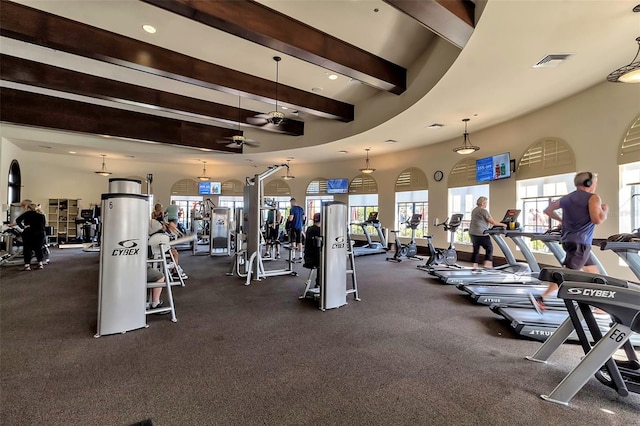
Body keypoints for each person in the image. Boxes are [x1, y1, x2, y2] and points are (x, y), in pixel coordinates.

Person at [530, 171, 609, 313]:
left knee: (593, 271)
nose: (596, 184)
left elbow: (548, 210)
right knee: (567, 274)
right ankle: (541, 297)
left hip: (568, 240)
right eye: (595, 182)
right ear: (589, 183)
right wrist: (604, 211)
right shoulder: (593, 198)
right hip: (581, 242)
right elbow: (597, 220)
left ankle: (600, 305)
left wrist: (562, 221)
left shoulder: (567, 198)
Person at [468, 196, 507, 269]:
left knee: (476, 249)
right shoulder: (484, 211)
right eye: (486, 203)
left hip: (473, 232)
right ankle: (488, 264)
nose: (486, 204)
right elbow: (493, 222)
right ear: (483, 203)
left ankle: (474, 266)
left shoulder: (474, 210)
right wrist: (504, 225)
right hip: (481, 232)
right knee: (489, 248)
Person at [15, 203, 46, 271]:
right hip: (40, 233)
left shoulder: (27, 213)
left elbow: (17, 220)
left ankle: (27, 266)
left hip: (29, 233)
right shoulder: (41, 214)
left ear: (29, 208)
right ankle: (40, 264)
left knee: (27, 249)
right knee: (38, 249)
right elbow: (43, 225)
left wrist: (23, 227)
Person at [303, 213, 322, 287]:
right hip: (313, 259)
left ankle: (319, 283)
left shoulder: (309, 229)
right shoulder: (320, 231)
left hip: (307, 257)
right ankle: (319, 284)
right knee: (326, 262)